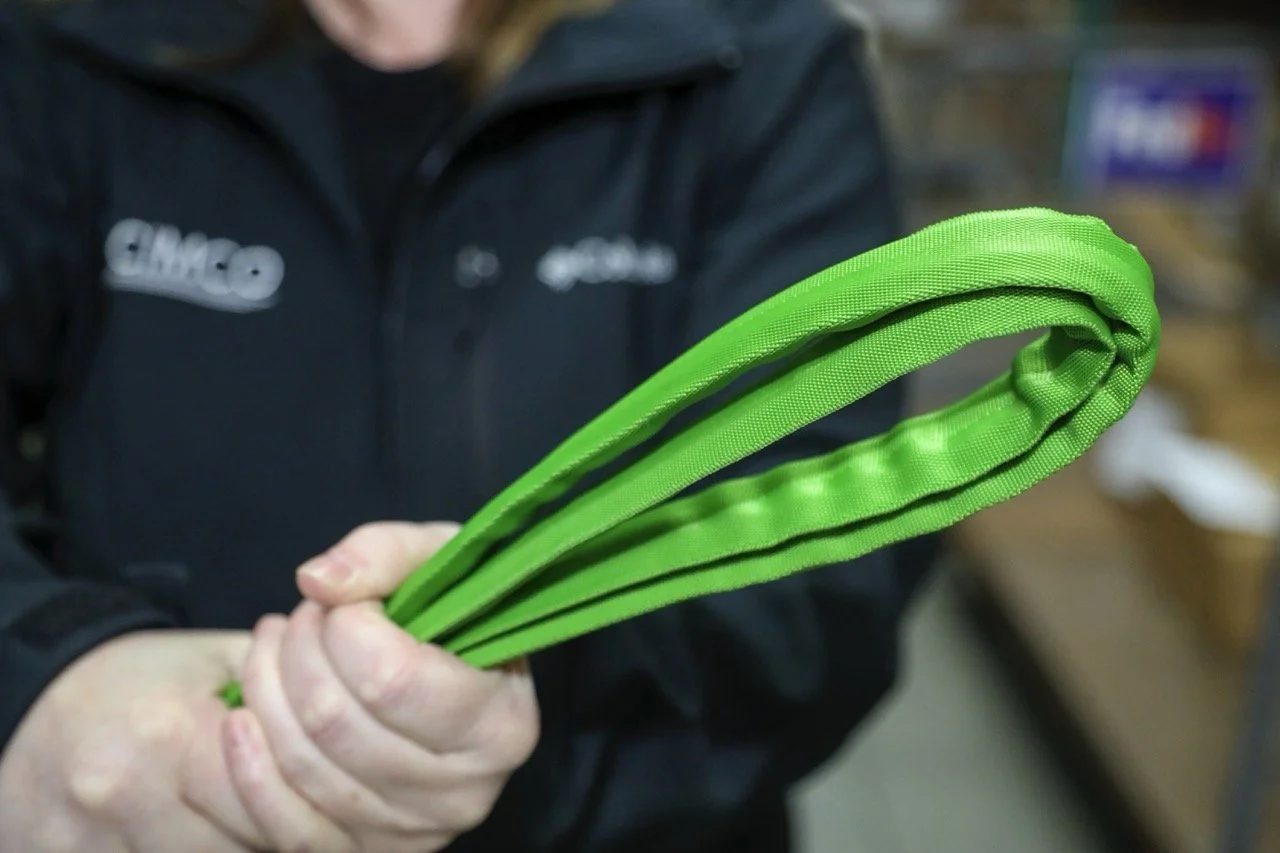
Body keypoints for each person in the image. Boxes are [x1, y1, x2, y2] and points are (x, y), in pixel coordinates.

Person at [0, 0, 933, 849]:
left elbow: (826, 563)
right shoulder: (67, 47)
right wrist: (49, 673)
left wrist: (477, 700)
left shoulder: (754, 62)